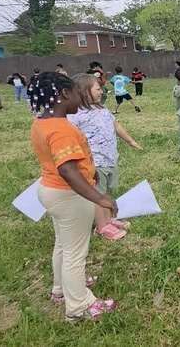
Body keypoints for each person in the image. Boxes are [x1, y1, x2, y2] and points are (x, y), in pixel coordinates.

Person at [29, 72, 118, 321]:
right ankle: (79, 306)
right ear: (64, 94)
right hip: (69, 196)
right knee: (75, 254)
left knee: (63, 245)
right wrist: (100, 198)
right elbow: (67, 170)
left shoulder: (41, 122)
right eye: (77, 94)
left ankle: (61, 289)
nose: (81, 99)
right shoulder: (61, 129)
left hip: (50, 191)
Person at [68, 74, 143, 240]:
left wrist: (130, 141)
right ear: (84, 92)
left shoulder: (103, 109)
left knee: (107, 191)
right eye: (98, 89)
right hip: (94, 162)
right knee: (97, 195)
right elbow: (69, 137)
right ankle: (102, 226)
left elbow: (115, 125)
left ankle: (109, 219)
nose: (101, 91)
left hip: (110, 159)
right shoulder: (75, 114)